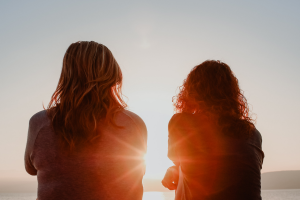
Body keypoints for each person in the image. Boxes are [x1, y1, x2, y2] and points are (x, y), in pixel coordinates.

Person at [24, 41, 147, 200]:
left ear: (66, 75)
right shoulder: (133, 123)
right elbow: (138, 172)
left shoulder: (40, 122)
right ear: (113, 74)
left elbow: (30, 169)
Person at [162, 60, 264, 200]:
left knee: (183, 175)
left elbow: (178, 159)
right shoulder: (253, 133)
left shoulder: (181, 123)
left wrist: (175, 169)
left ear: (191, 92)